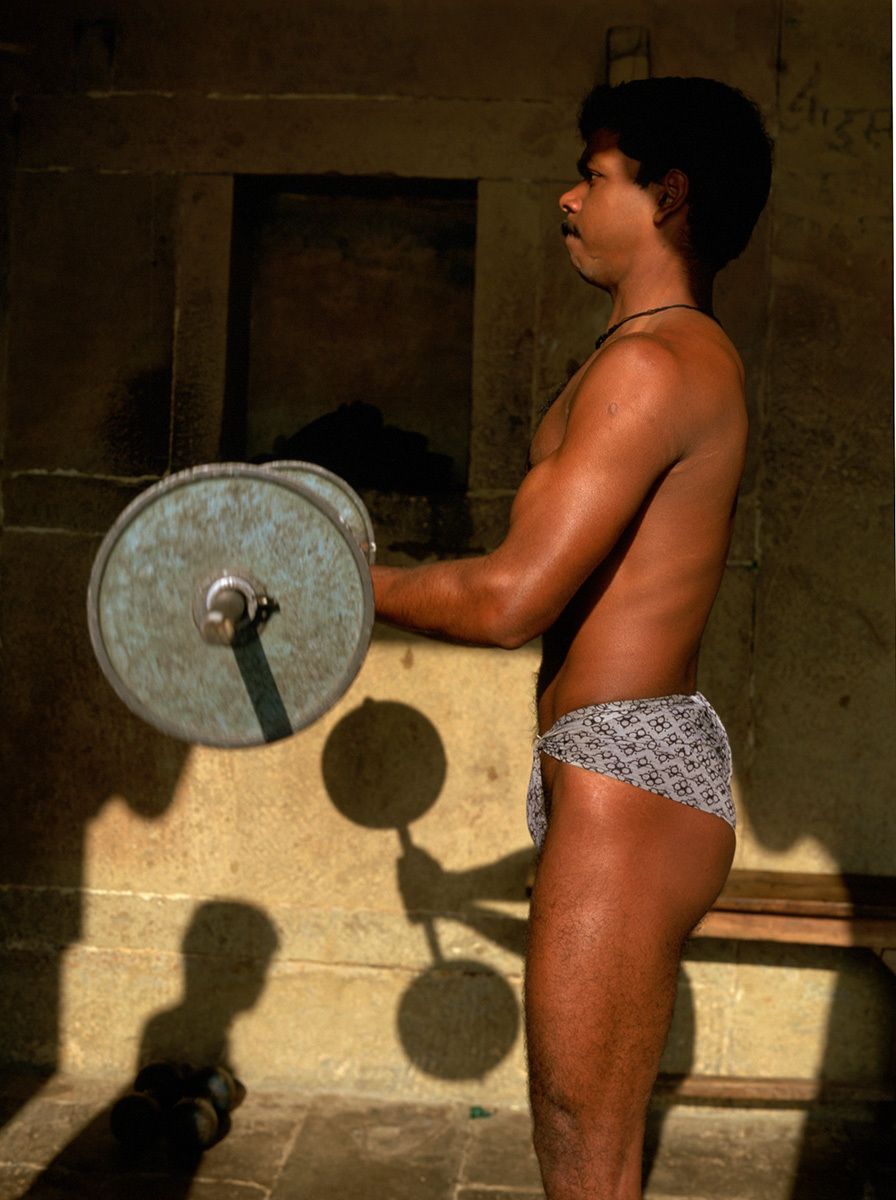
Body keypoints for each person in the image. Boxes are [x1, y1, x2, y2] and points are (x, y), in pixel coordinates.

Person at [371, 76, 773, 1200]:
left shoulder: (652, 368)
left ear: (667, 195)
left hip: (624, 769)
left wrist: (343, 586)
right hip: (610, 765)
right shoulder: (652, 355)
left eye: (593, 176)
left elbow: (508, 601)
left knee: (582, 1152)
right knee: (578, 1145)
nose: (564, 198)